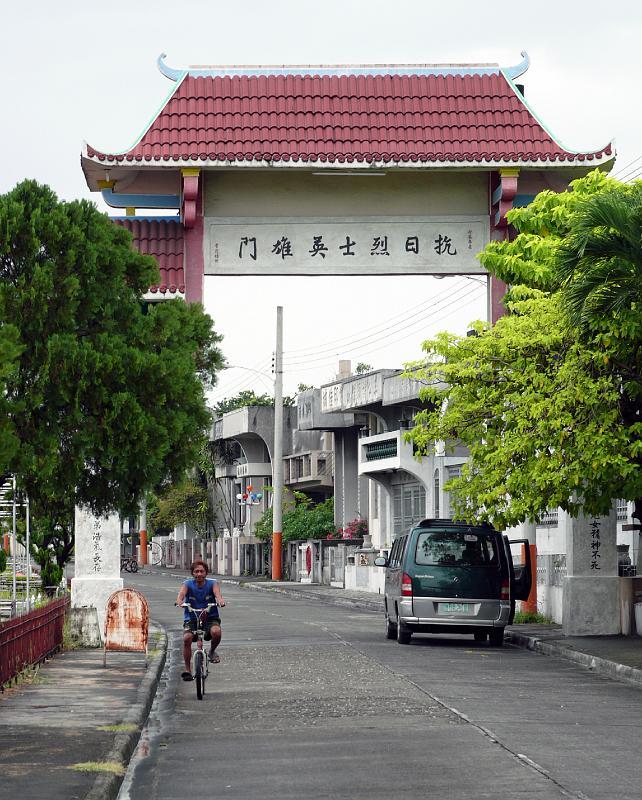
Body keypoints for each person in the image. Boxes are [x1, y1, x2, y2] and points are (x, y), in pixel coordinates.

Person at [175, 560, 226, 682]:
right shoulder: (187, 584)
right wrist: (180, 602)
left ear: (206, 573)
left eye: (201, 571)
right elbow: (181, 594)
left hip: (210, 617)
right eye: (196, 571)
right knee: (187, 638)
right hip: (192, 617)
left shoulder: (212, 583)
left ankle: (212, 652)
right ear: (192, 573)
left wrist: (220, 601)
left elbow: (217, 594)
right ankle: (188, 670)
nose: (199, 574)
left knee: (216, 632)